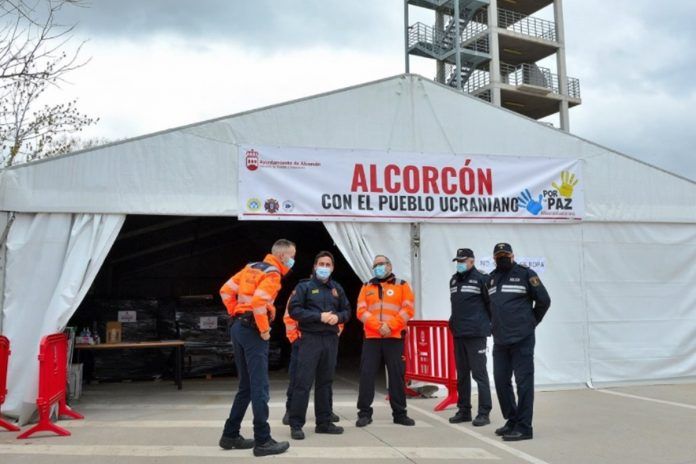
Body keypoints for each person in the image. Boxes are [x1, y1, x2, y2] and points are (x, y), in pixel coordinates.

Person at [218, 239, 296, 457]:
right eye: (292, 256)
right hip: (252, 330)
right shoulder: (272, 274)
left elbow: (225, 290)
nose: (293, 261)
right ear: (282, 256)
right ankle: (263, 441)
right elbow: (260, 301)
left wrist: (236, 312)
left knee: (246, 387)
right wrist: (263, 329)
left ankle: (230, 434)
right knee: (259, 387)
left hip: (238, 328)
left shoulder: (250, 267)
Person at [488, 243, 550, 441]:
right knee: (500, 381)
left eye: (506, 254)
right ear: (494, 258)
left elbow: (544, 300)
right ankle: (512, 419)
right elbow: (490, 306)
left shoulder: (525, 274)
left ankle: (524, 427)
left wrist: (531, 322)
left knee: (523, 384)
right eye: (499, 255)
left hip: (522, 339)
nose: (503, 257)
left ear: (513, 255)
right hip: (500, 340)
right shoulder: (491, 278)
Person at [287, 251, 351, 440]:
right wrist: (319, 317)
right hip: (310, 339)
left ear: (332, 268)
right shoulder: (304, 287)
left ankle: (323, 422)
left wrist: (338, 317)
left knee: (325, 383)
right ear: (315, 266)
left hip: (330, 340)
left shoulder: (337, 288)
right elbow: (294, 310)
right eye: (321, 264)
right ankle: (296, 424)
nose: (324, 267)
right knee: (303, 383)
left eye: (328, 264)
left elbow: (347, 310)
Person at [356, 255, 416, 427]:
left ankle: (400, 414)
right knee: (367, 375)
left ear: (389, 265)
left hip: (394, 337)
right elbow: (361, 311)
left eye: (381, 264)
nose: (378, 267)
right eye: (375, 265)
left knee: (397, 376)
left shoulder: (402, 285)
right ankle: (364, 413)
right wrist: (378, 326)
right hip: (372, 338)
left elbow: (408, 309)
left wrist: (390, 326)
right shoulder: (366, 286)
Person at [448, 248, 493, 426]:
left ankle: (484, 412)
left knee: (479, 374)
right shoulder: (453, 280)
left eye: (463, 260)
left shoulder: (482, 279)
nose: (460, 263)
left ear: (472, 261)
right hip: (459, 333)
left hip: (476, 334)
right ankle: (464, 410)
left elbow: (491, 305)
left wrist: (488, 325)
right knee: (462, 375)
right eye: (458, 261)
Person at [282, 306, 342, 426]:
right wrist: (294, 338)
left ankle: (327, 411)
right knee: (297, 378)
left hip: (327, 340)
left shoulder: (333, 291)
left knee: (325, 379)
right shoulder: (301, 291)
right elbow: (289, 316)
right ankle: (290, 410)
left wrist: (335, 334)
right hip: (302, 341)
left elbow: (340, 315)